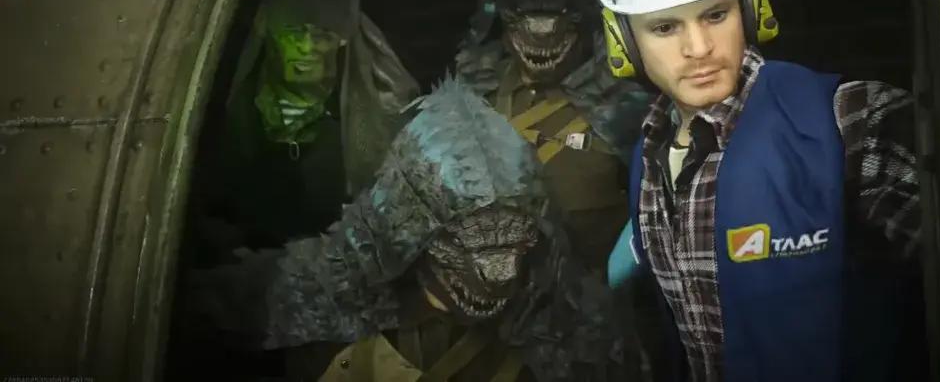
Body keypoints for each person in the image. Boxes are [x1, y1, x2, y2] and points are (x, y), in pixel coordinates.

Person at [598, 0, 922, 382]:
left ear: (750, 7)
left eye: (716, 14)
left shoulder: (849, 120)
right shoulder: (647, 156)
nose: (699, 47)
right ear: (623, 40)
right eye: (665, 28)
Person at [185, 78, 649, 382]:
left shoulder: (570, 324)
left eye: (515, 242)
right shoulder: (312, 292)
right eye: (472, 244)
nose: (502, 272)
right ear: (408, 224)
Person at [455, 0, 652, 274]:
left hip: (598, 283)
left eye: (555, 20)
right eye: (527, 20)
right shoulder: (472, 93)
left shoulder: (625, 101)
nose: (541, 34)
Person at [201, 0, 419, 252]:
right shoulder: (230, 110)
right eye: (293, 30)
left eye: (321, 34)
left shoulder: (378, 114)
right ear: (268, 28)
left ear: (342, 38)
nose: (306, 47)